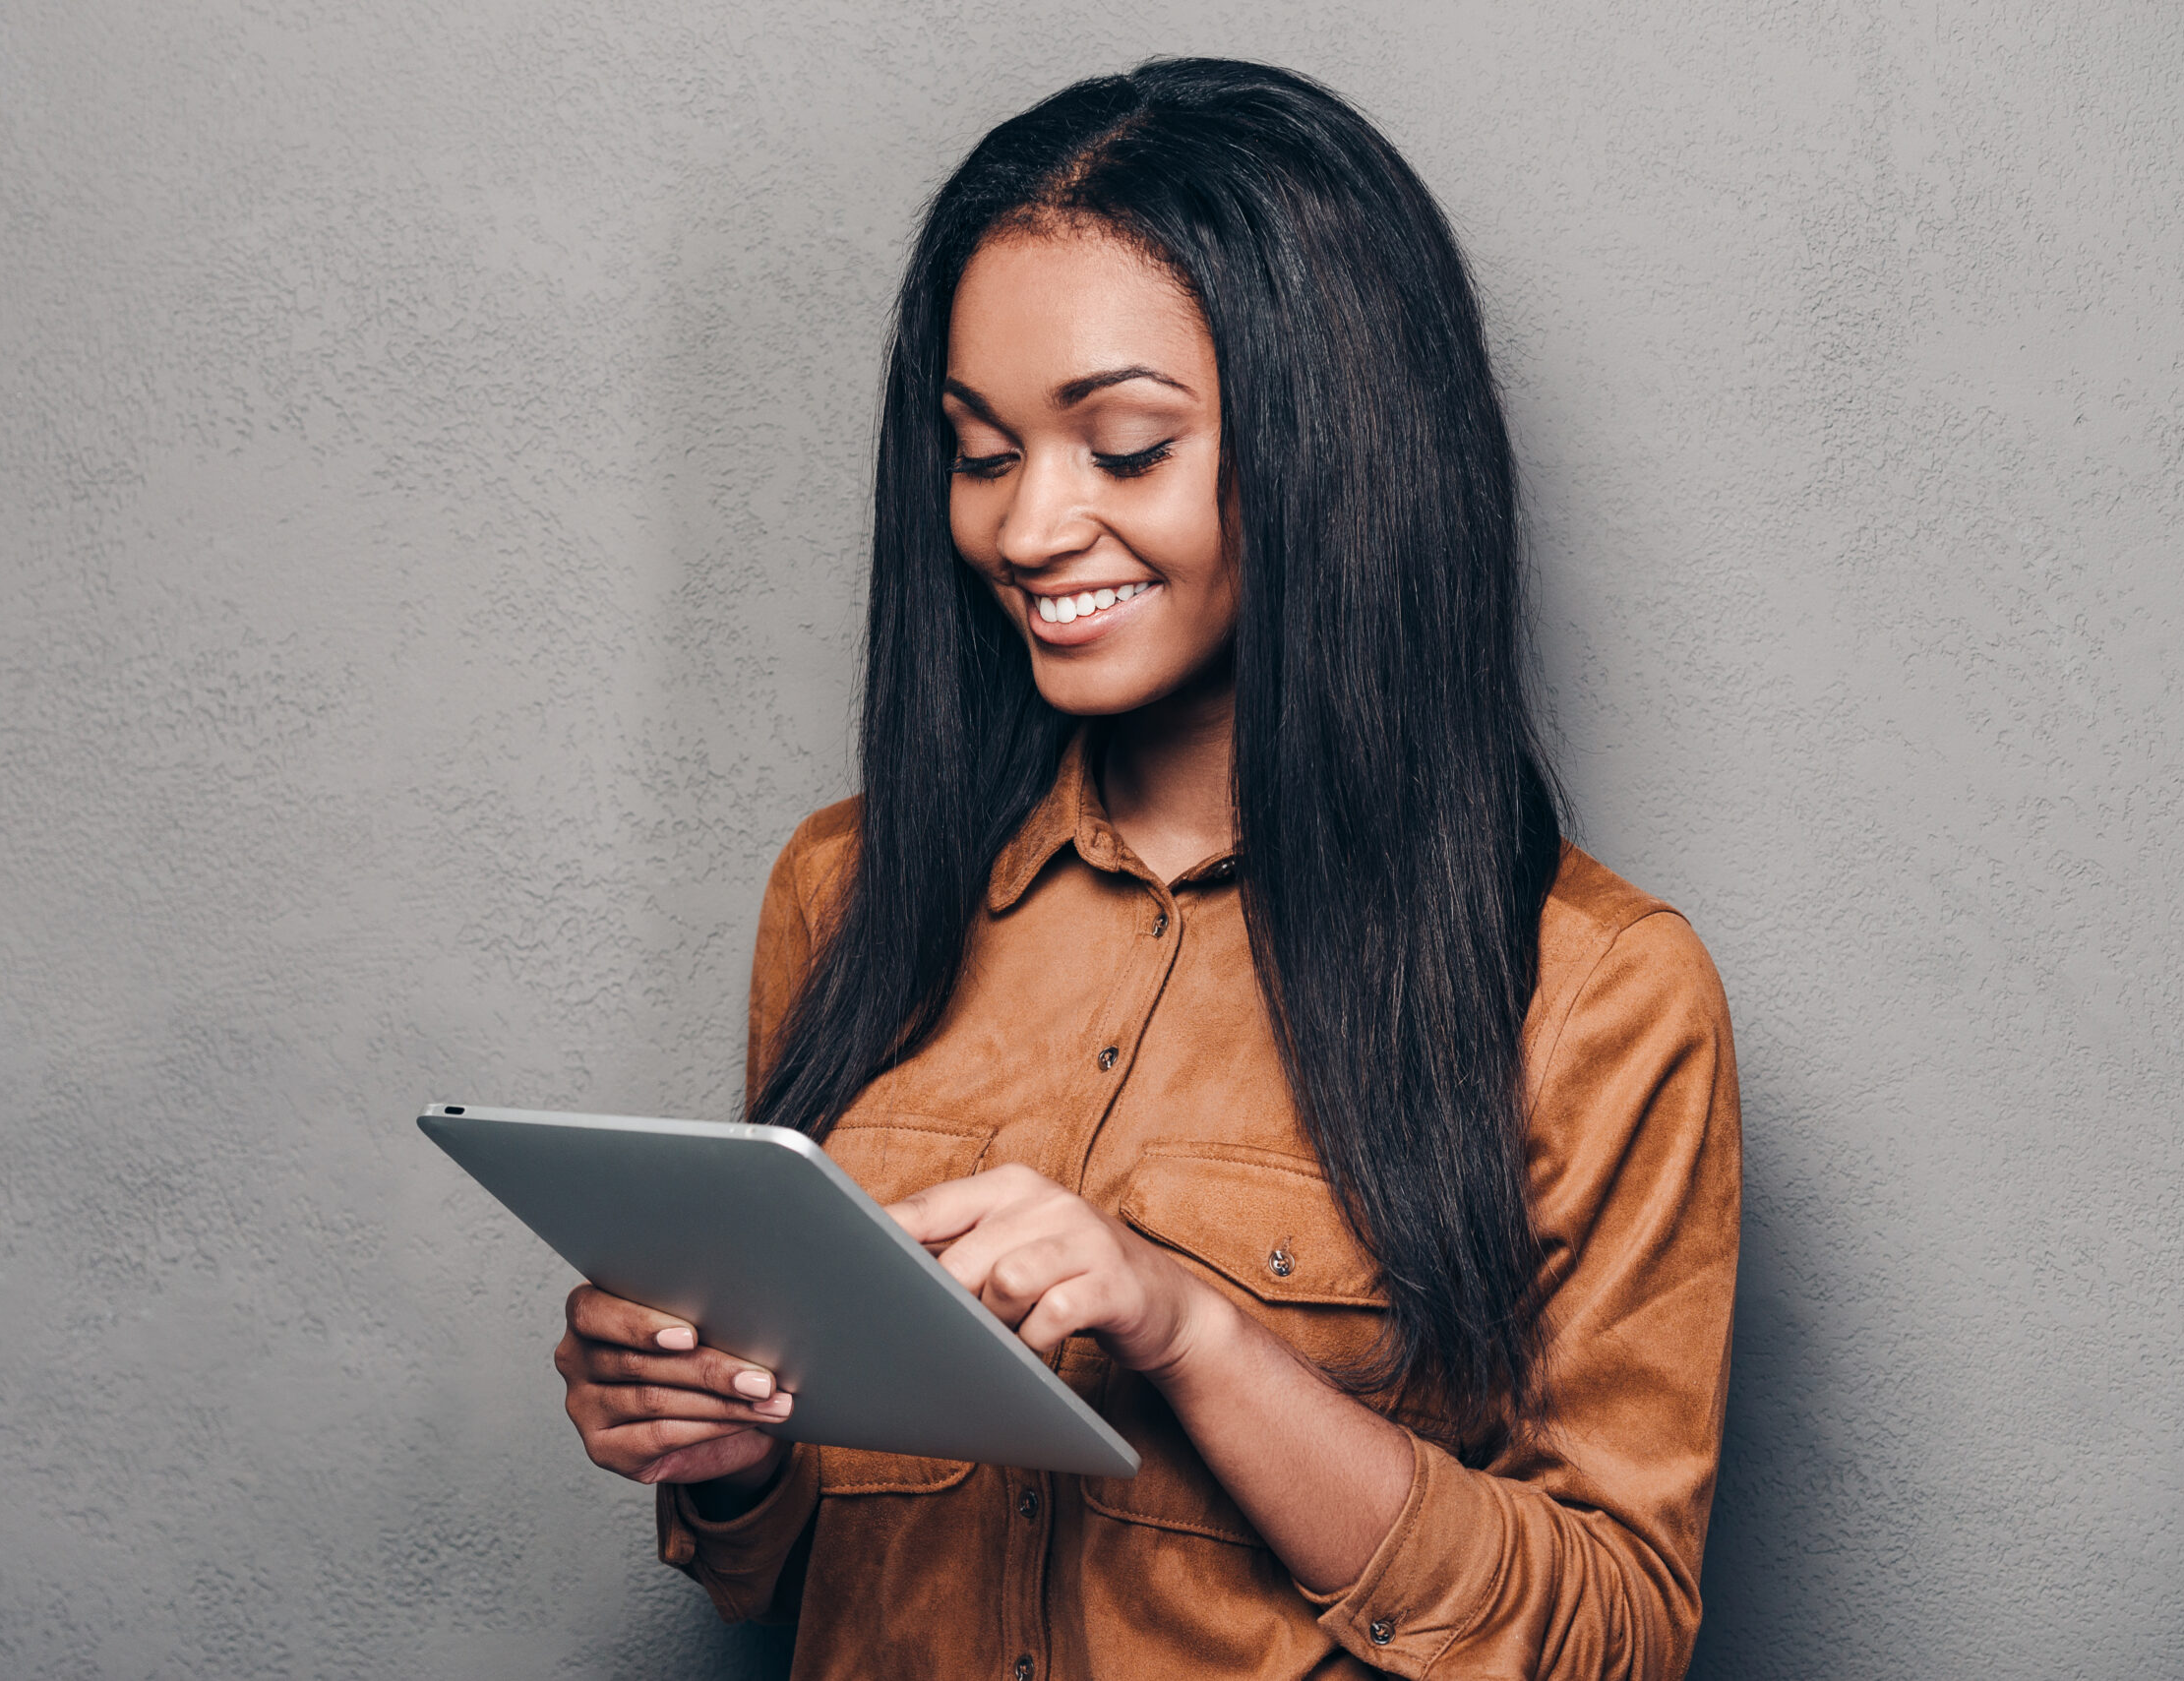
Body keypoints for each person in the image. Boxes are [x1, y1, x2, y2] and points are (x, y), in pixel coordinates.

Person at [554, 58, 1739, 1680]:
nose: (1032, 527)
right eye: (981, 454)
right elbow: (775, 1575)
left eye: (1122, 450)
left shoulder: (1599, 993)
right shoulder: (844, 897)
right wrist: (724, 1447)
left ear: (1339, 452)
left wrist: (1191, 1333)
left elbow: (1610, 1635)